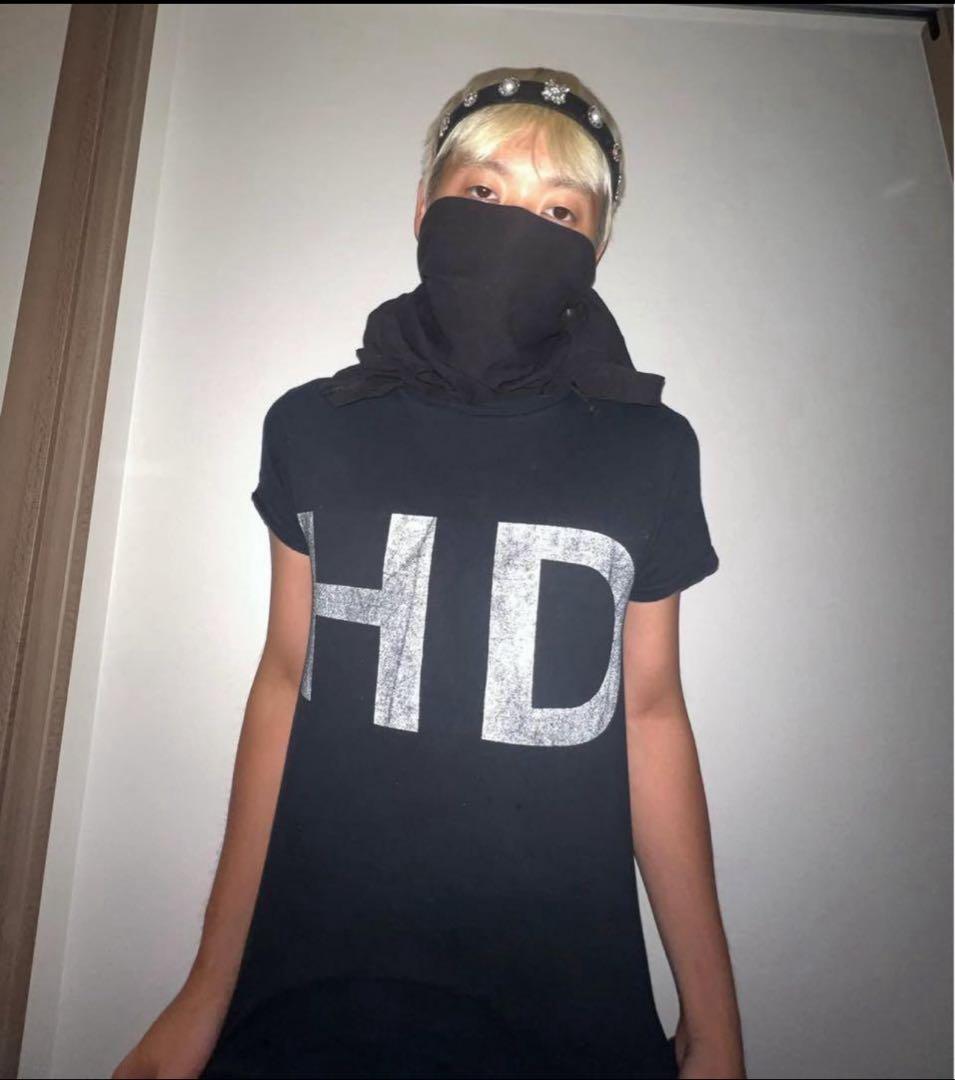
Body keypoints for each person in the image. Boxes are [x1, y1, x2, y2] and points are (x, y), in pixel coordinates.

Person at [112, 65, 745, 1080]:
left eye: (559, 210)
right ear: (423, 208)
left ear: (594, 250)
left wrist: (713, 1027)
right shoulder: (315, 426)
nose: (516, 227)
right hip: (314, 999)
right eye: (483, 191)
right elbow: (285, 682)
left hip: (566, 1011)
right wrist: (205, 990)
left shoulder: (650, 449)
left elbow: (651, 713)